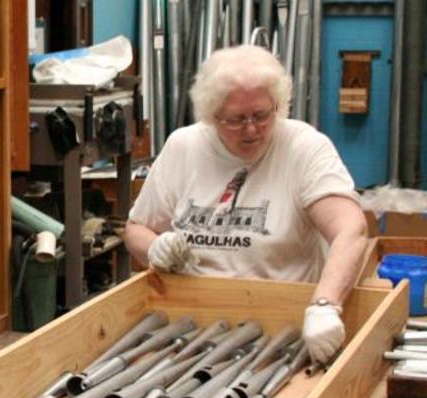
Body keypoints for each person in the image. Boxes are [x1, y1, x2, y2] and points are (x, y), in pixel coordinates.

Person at [125, 44, 367, 365]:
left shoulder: (304, 147)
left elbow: (351, 229)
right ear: (212, 115)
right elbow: (136, 229)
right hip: (191, 324)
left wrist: (326, 304)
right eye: (235, 120)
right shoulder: (184, 146)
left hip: (281, 330)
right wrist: (154, 247)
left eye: (262, 115)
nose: (251, 129)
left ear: (278, 105)